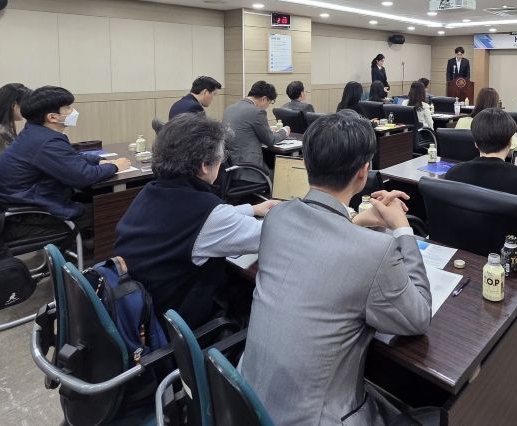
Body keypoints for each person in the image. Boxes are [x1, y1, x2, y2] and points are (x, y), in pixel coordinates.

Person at [241, 110, 431, 426]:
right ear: (363, 172)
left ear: (307, 162)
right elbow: (418, 316)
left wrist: (355, 221)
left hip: (248, 402)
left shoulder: (277, 217)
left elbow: (319, 245)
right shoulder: (376, 251)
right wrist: (402, 229)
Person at [115, 114, 278, 329]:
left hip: (139, 311)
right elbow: (273, 235)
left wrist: (251, 209)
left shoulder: (151, 191)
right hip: (178, 325)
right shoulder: (207, 213)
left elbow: (194, 220)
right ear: (205, 165)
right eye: (221, 158)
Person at [0, 86, 131, 239]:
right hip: (31, 216)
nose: (73, 111)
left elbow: (69, 156)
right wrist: (115, 166)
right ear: (52, 117)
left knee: (99, 201)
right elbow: (83, 176)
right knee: (112, 210)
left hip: (17, 205)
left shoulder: (35, 132)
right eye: (68, 107)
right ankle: (97, 248)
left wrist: (99, 160)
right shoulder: (47, 142)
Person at [444, 108, 517, 247]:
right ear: (510, 142)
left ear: (475, 142)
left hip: (463, 253)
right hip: (509, 257)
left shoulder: (453, 173)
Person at [222, 81, 290, 184]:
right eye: (269, 103)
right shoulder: (257, 112)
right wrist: (284, 131)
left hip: (230, 168)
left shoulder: (230, 108)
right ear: (264, 99)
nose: (267, 106)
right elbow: (270, 140)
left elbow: (245, 131)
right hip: (249, 170)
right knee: (282, 175)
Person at [455, 87, 517, 151]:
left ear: (477, 102)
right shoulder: (499, 125)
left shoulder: (461, 121)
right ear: (496, 104)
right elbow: (516, 148)